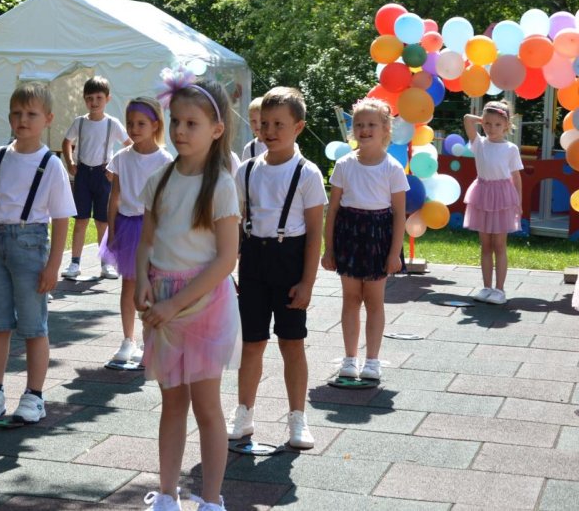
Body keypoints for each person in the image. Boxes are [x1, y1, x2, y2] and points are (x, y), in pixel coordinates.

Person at [136, 71, 240, 511]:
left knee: (206, 405)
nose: (180, 130)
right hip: (162, 299)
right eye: (176, 121)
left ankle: (211, 499)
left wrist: (175, 303)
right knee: (172, 402)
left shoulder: (220, 185)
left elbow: (226, 259)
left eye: (191, 123)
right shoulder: (160, 179)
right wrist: (142, 280)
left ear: (216, 130)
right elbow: (146, 241)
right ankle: (167, 493)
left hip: (203, 303)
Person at [0, 82, 76, 423]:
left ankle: (34, 395)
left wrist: (54, 265)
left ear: (48, 119)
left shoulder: (51, 164)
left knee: (33, 324)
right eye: (16, 113)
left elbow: (61, 218)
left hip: (30, 245)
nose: (22, 120)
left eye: (31, 114)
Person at [230, 87, 326, 450]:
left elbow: (315, 234)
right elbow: (236, 223)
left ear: (298, 127)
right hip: (254, 260)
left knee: (291, 342)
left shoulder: (307, 173)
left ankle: (297, 418)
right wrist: (229, 269)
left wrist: (307, 282)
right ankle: (244, 413)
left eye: (278, 124)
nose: (269, 131)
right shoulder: (247, 170)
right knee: (252, 343)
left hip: (290, 262)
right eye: (264, 124)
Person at [321, 98, 407, 381]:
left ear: (385, 129)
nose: (364, 129)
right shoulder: (344, 164)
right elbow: (333, 210)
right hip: (349, 234)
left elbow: (399, 214)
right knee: (351, 298)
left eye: (371, 124)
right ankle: (349, 358)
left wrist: (394, 253)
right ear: (352, 129)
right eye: (359, 124)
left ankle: (372, 360)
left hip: (378, 236)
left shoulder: (392, 168)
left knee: (374, 300)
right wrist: (329, 249)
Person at [98, 96, 171, 364]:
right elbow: (115, 196)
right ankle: (128, 339)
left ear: (155, 125)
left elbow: (166, 201)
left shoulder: (164, 160)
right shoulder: (121, 158)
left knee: (153, 285)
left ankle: (150, 339)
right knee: (129, 285)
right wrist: (112, 229)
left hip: (153, 228)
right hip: (127, 227)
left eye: (141, 123)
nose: (134, 128)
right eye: (130, 123)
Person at [61, 76, 130, 280]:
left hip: (103, 175)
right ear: (84, 99)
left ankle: (105, 264)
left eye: (99, 98)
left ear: (107, 99)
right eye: (89, 98)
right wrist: (70, 162)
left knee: (102, 222)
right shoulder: (80, 122)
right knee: (80, 220)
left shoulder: (112, 123)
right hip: (83, 174)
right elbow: (67, 142)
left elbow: (130, 146)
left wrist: (114, 168)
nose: (94, 102)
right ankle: (75, 263)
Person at [463, 101, 523, 305]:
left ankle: (500, 290)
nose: (491, 128)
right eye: (487, 124)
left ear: (506, 125)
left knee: (499, 244)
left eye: (498, 124)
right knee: (486, 245)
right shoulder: (478, 143)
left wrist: (518, 202)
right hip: (482, 195)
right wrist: (483, 118)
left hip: (503, 198)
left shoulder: (510, 148)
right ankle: (487, 287)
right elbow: (466, 119)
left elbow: (516, 177)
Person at [240, 96, 266, 161]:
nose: (257, 125)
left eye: (261, 121)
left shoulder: (277, 145)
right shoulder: (249, 149)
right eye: (253, 121)